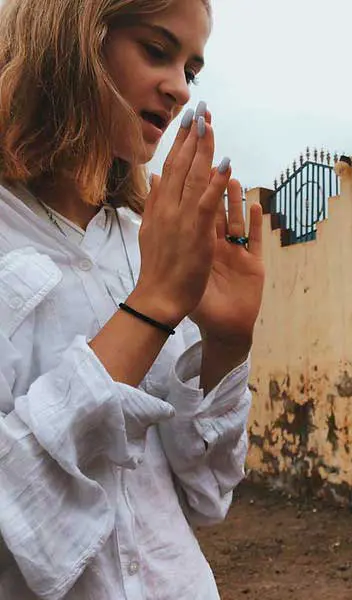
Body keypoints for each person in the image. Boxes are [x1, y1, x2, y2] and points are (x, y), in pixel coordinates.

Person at [0, 0, 265, 598]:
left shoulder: (144, 243)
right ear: (71, 39)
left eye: (191, 71)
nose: (177, 88)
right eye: (155, 50)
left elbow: (204, 492)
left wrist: (226, 342)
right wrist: (149, 309)